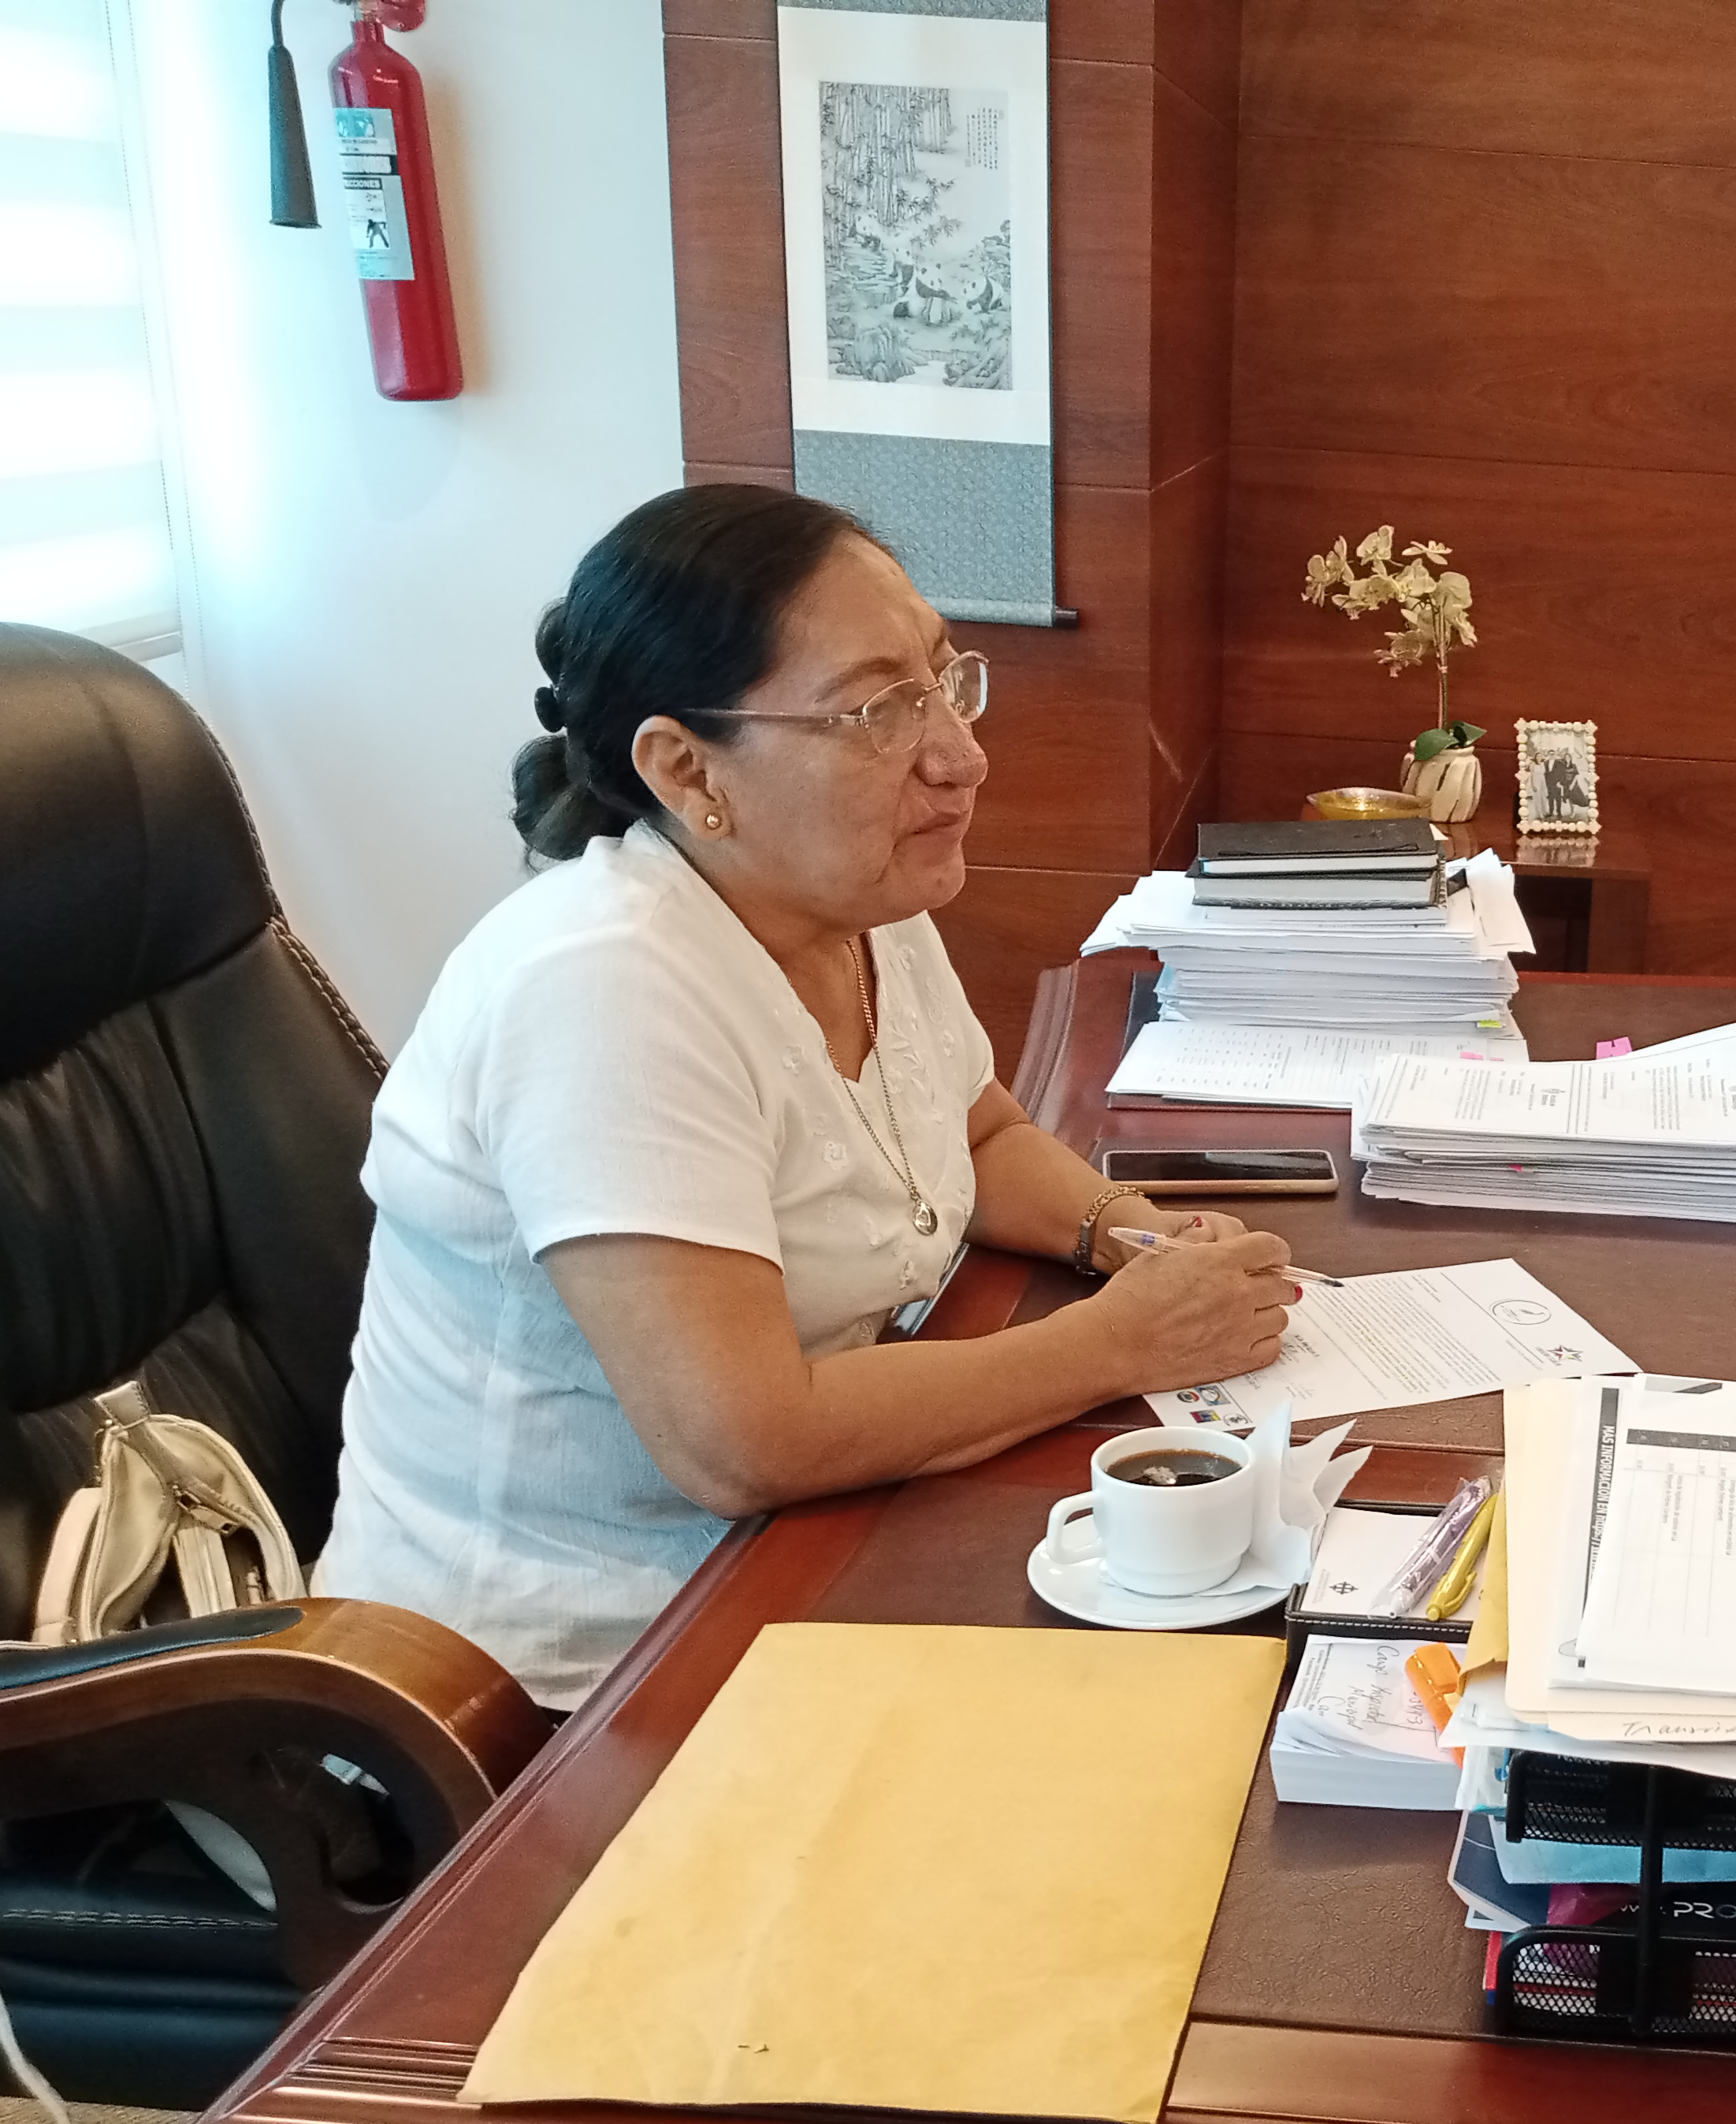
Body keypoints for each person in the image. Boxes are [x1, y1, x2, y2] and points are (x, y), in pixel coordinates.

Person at [318, 485, 1300, 1709]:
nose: (961, 757)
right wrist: (1124, 1340)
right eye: (877, 711)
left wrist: (1131, 1238)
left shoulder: (852, 900)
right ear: (687, 767)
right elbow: (745, 1438)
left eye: (943, 680)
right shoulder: (605, 987)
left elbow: (975, 1131)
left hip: (805, 1559)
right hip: (554, 1695)